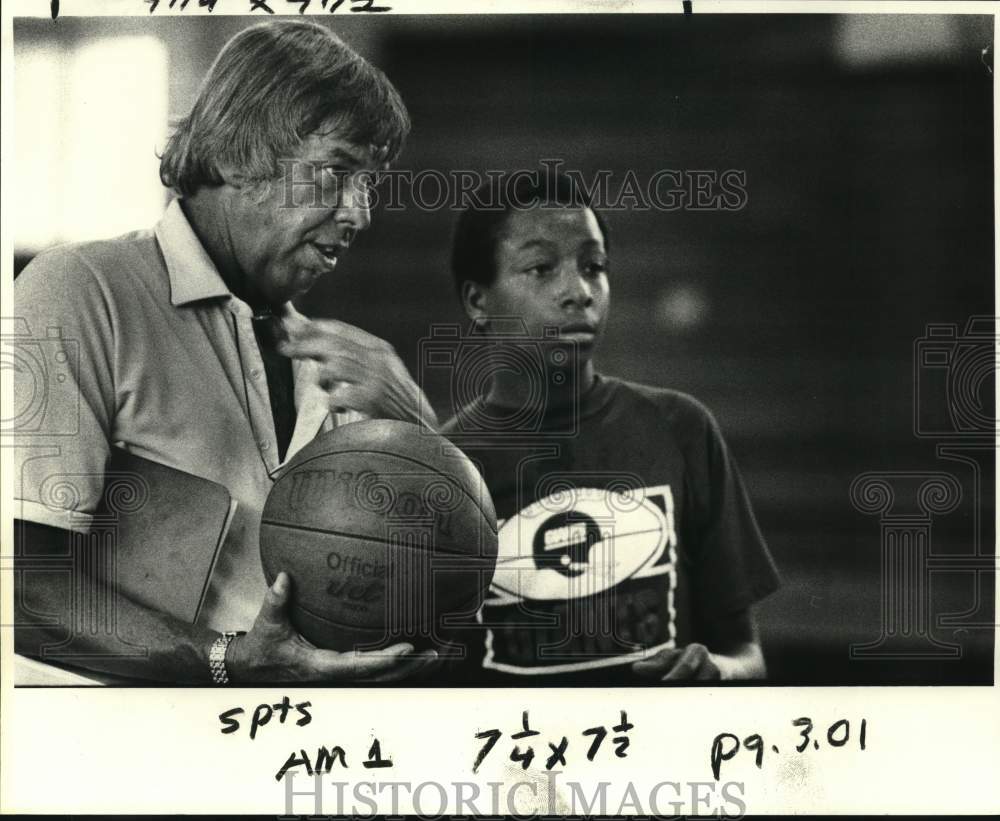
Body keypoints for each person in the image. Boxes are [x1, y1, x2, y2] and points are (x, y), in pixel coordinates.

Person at [12, 21, 438, 685]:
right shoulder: (81, 292)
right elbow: (23, 593)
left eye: (370, 183)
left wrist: (419, 429)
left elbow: (428, 574)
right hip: (109, 775)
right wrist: (225, 660)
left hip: (280, 765)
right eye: (337, 172)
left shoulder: (335, 368)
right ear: (243, 155)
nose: (360, 214)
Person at [440, 172, 780, 684]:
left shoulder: (680, 428)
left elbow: (746, 653)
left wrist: (718, 672)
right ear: (477, 301)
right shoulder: (442, 468)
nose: (578, 291)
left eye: (593, 266)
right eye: (541, 268)